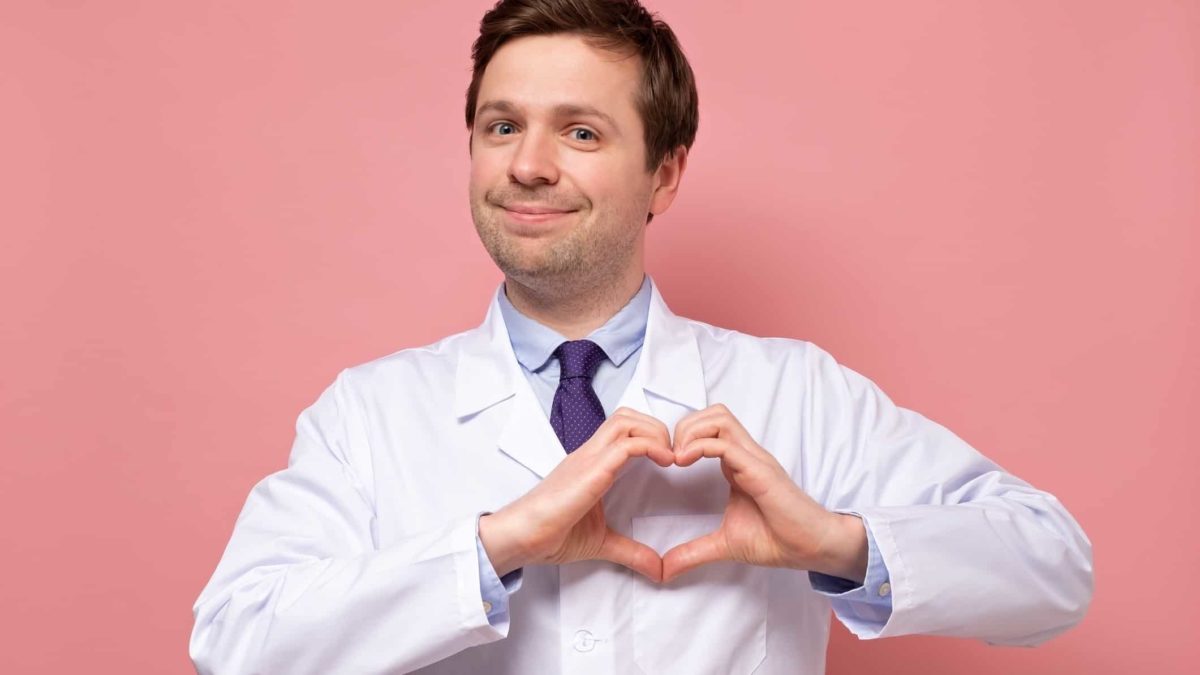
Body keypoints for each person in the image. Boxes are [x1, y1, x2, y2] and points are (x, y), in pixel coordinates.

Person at [189, 1, 1093, 673]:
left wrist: (831, 541)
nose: (529, 164)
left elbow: (1053, 569)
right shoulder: (368, 414)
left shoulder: (799, 396)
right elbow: (235, 642)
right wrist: (493, 545)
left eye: (581, 131)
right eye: (501, 126)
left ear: (664, 174)